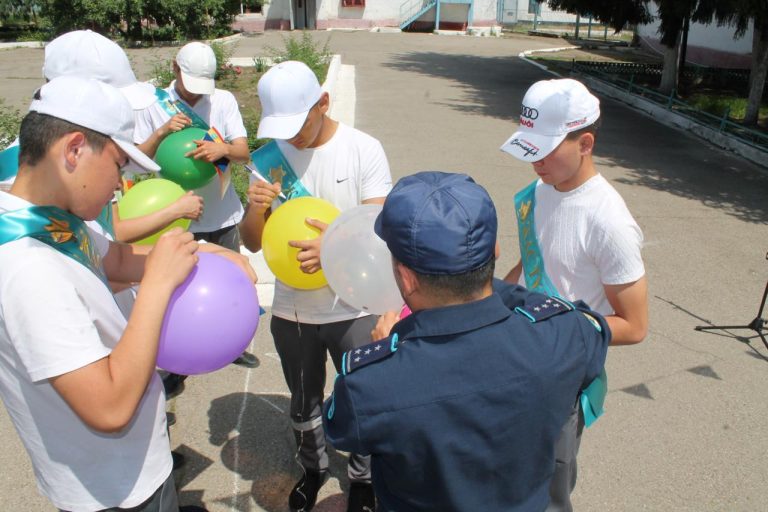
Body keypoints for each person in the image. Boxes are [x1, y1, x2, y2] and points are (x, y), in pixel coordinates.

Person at [0, 76, 254, 512]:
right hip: (112, 489)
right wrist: (157, 286)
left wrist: (201, 252)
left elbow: (114, 259)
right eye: (119, 165)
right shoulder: (28, 269)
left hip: (129, 466)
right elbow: (110, 409)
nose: (120, 185)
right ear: (74, 150)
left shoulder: (42, 218)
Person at [322, 171, 611, 512]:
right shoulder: (565, 335)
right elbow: (591, 330)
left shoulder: (371, 383)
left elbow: (339, 426)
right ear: (495, 251)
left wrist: (389, 349)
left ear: (406, 277)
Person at [240, 60, 392, 512]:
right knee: (303, 399)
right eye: (281, 129)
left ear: (322, 103)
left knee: (363, 395)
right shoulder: (268, 161)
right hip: (294, 310)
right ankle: (313, 467)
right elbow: (253, 241)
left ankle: (363, 478)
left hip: (354, 306)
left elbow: (380, 226)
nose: (291, 138)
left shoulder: (363, 149)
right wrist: (255, 208)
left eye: (299, 124)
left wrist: (335, 244)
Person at [499, 78, 649, 512]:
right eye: (530, 148)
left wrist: (560, 330)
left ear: (585, 143)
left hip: (561, 377)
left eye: (545, 150)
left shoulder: (609, 223)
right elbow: (533, 262)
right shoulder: (541, 190)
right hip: (519, 357)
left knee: (547, 490)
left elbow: (635, 326)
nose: (535, 161)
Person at [134, 41, 257, 369]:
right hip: (176, 216)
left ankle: (233, 343)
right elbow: (136, 160)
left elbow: (244, 153)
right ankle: (177, 360)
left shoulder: (222, 101)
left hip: (222, 212)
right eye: (190, 85)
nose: (195, 94)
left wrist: (223, 150)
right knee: (177, 292)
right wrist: (161, 133)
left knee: (233, 282)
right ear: (175, 68)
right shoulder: (153, 104)